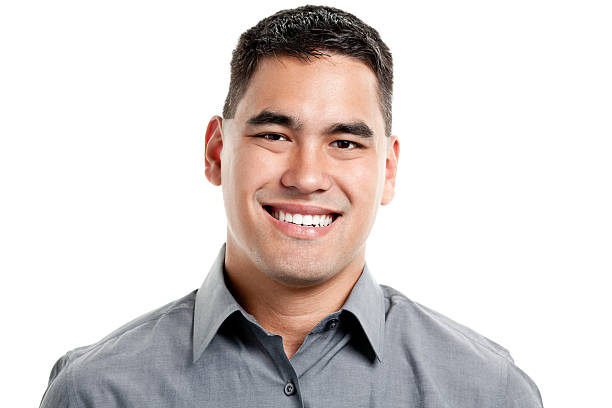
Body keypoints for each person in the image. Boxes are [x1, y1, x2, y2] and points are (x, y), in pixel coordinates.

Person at [40, 5, 543, 407]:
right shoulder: (99, 393)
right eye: (274, 134)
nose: (305, 177)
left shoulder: (489, 393)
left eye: (344, 142)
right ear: (217, 152)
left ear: (388, 169)